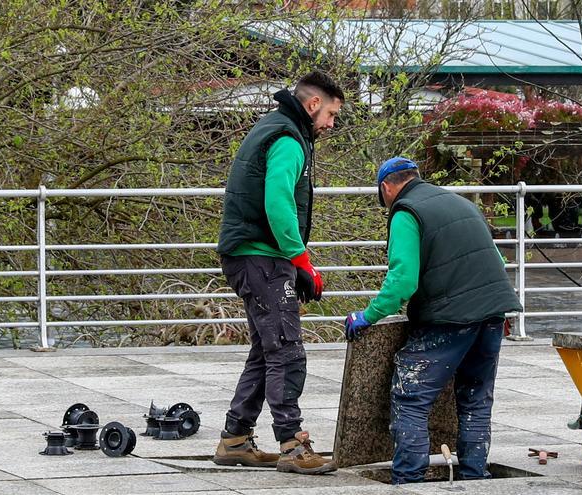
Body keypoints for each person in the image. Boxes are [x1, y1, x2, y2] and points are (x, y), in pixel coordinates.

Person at [344, 157, 522, 484]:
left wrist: (366, 316)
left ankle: (409, 481)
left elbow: (403, 282)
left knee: (411, 397)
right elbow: (496, 259)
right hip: (494, 312)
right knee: (475, 399)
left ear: (386, 187)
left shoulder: (406, 212)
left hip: (450, 318)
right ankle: (474, 477)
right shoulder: (461, 203)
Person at [213, 71, 343, 475]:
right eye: (331, 114)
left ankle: (235, 439)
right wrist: (300, 258)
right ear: (311, 105)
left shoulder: (273, 127)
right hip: (261, 256)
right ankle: (292, 444)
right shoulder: (288, 139)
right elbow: (278, 203)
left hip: (251, 254)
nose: (331, 124)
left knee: (265, 350)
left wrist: (293, 258)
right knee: (287, 350)